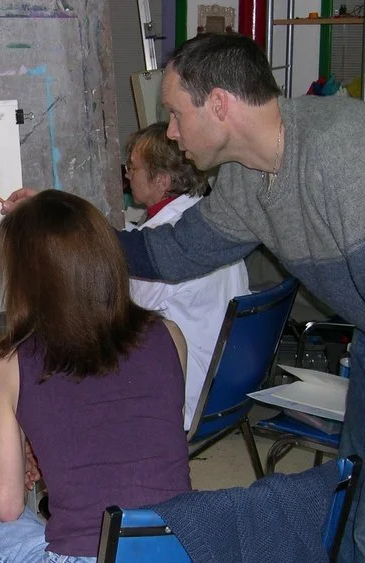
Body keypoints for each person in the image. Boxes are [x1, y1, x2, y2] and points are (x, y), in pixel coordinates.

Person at [4, 33, 365, 562]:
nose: (170, 131)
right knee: (347, 503)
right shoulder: (247, 180)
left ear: (217, 104)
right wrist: (63, 223)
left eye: (174, 113)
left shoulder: (341, 157)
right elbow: (173, 253)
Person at [0, 190, 191, 562]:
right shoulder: (170, 335)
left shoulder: (9, 360)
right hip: (179, 549)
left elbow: (7, 506)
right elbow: (145, 441)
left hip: (90, 556)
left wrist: (15, 459)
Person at [124, 122, 250, 430]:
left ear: (162, 180)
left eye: (133, 167)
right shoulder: (211, 224)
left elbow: (126, 311)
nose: (127, 174)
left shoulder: (165, 246)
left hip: (187, 396)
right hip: (231, 388)